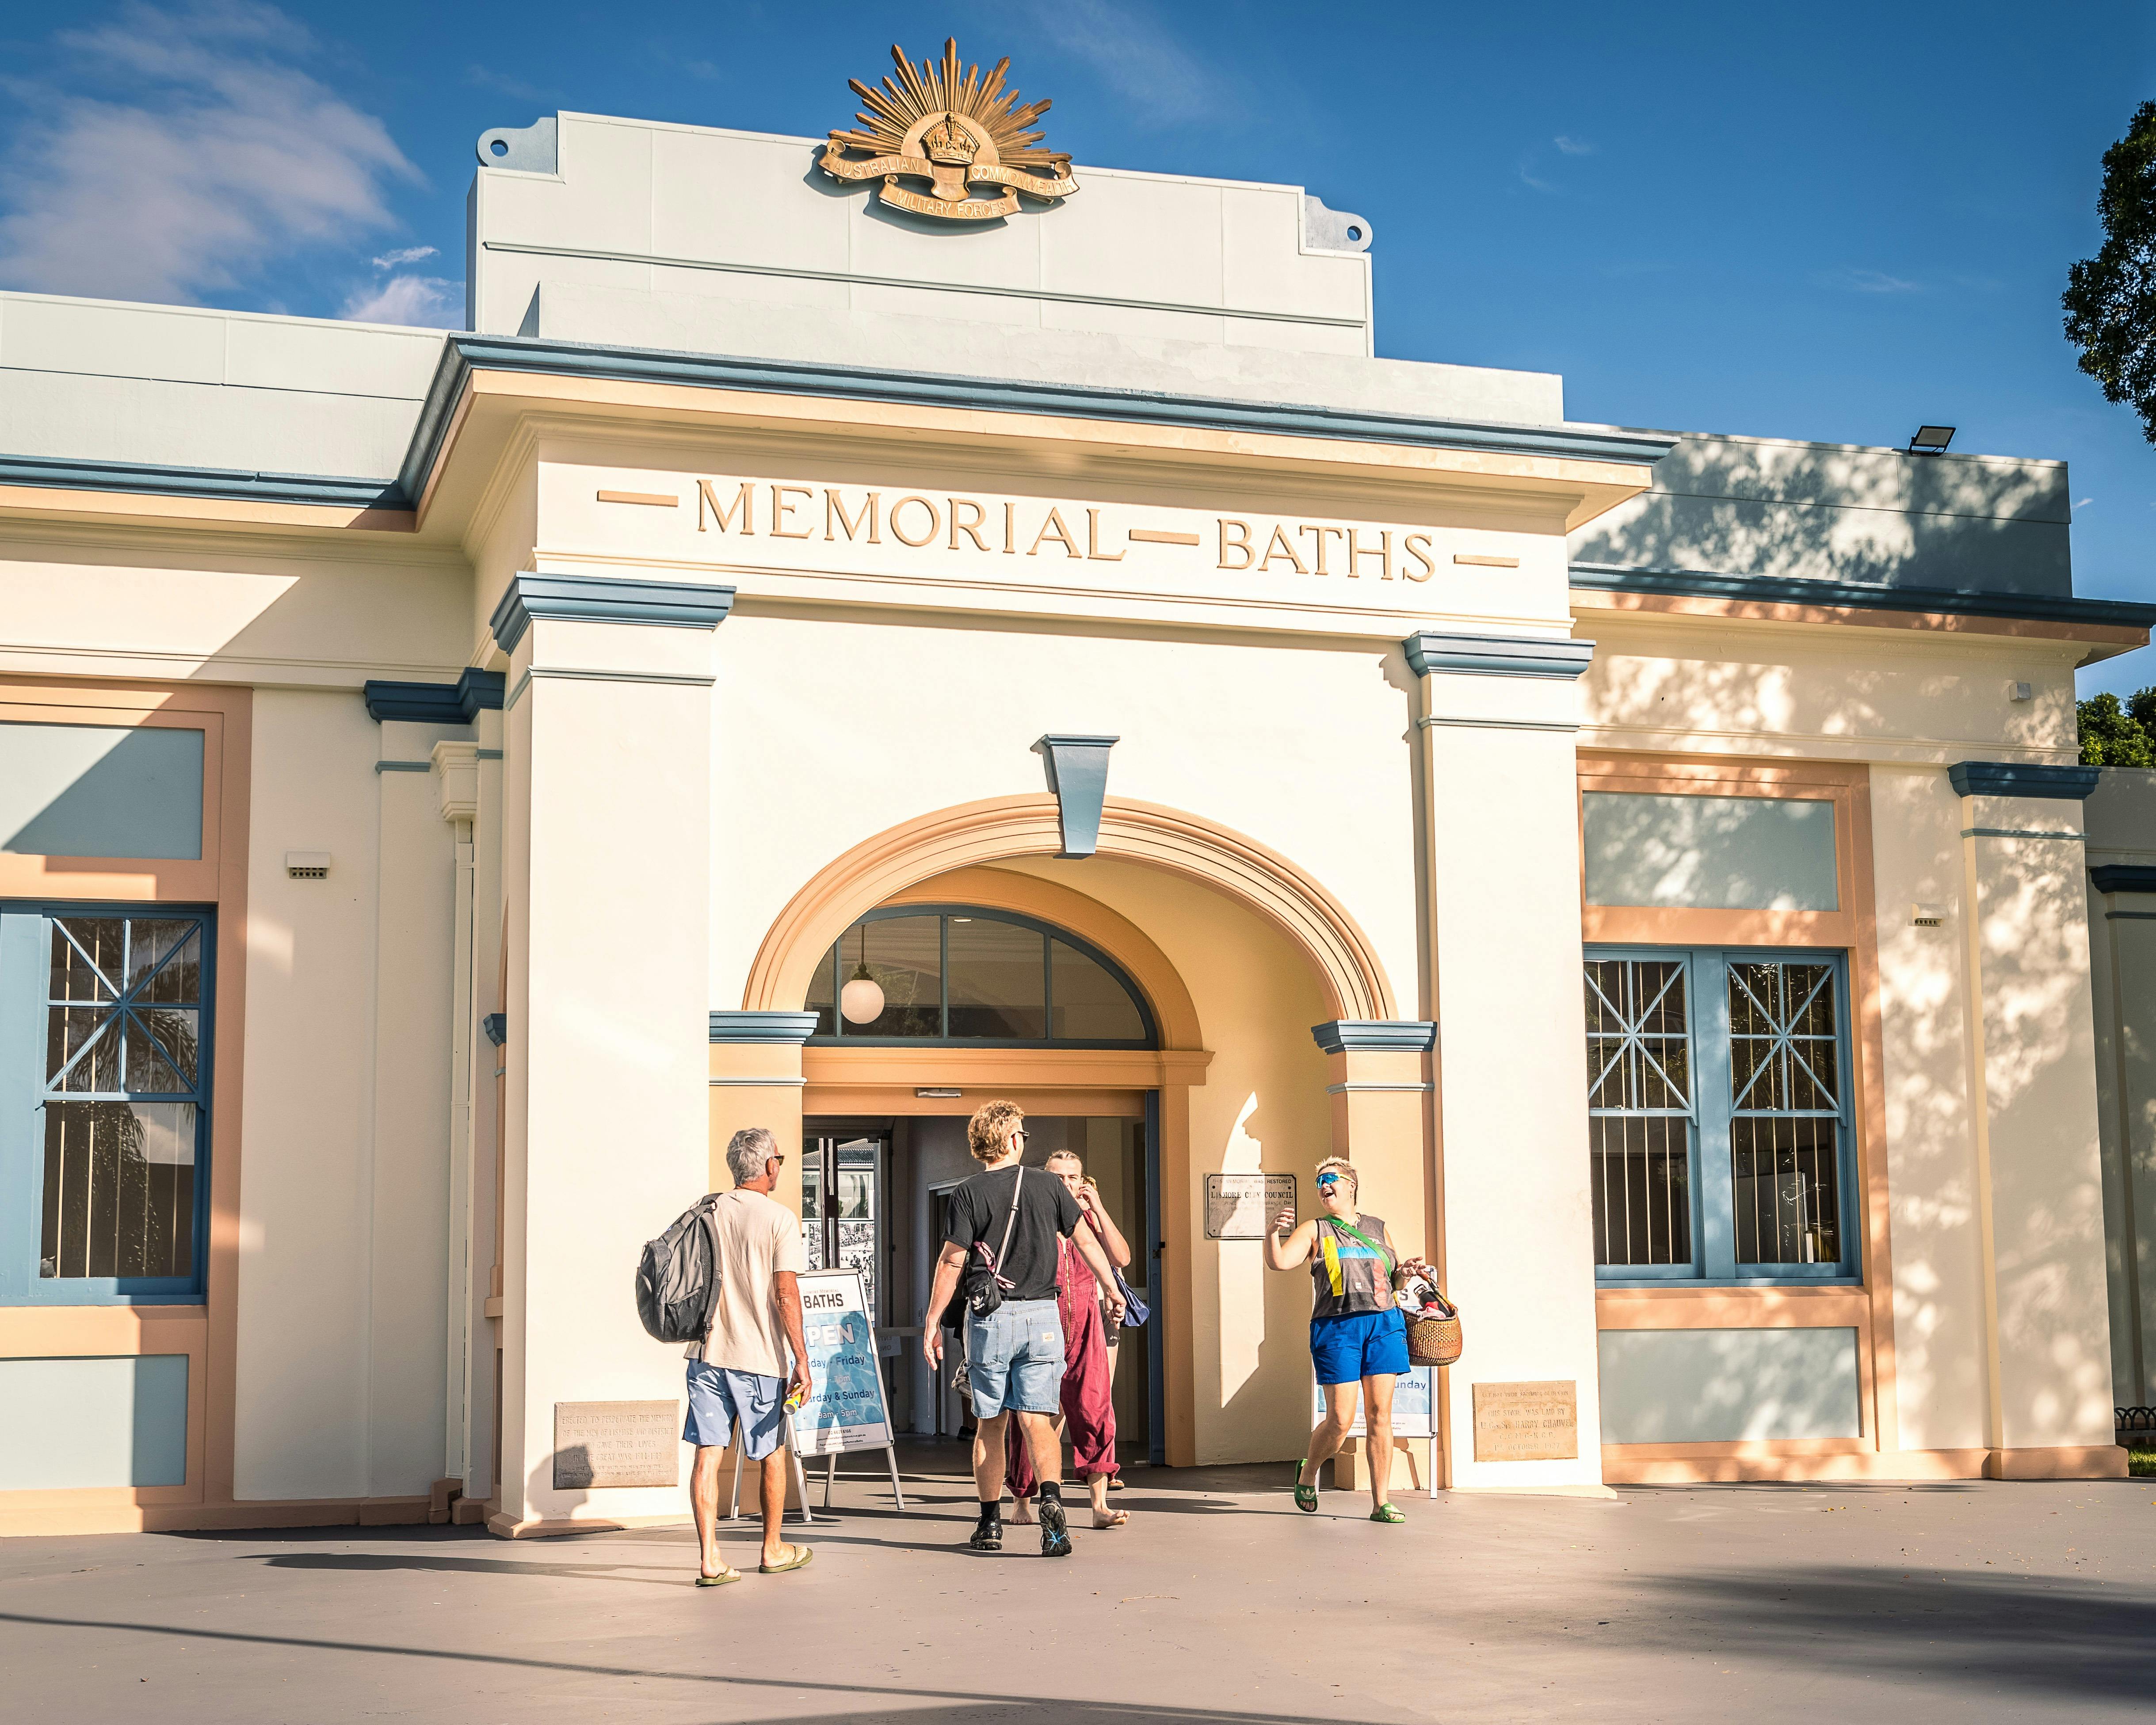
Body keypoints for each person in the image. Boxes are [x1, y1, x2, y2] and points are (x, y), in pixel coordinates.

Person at [923, 1101, 1126, 1557]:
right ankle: (1052, 1507)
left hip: (991, 1320)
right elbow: (1086, 1240)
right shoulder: (1049, 1187)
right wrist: (1112, 1289)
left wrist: (933, 1320)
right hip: (1043, 1317)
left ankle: (990, 1522)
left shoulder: (968, 1192)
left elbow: (953, 1259)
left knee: (990, 1426)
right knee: (1039, 1419)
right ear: (1014, 1139)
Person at [685, 1127, 816, 1585]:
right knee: (772, 1453)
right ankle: (773, 1548)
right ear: (768, 1166)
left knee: (707, 1453)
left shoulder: (705, 1212)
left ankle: (710, 1558)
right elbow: (786, 1292)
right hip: (758, 1355)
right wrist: (801, 1357)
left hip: (705, 1352)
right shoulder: (779, 1218)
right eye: (778, 1156)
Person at [1264, 1155, 1424, 1524]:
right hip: (1336, 1328)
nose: (1324, 1186)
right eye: (1319, 1181)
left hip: (1384, 1324)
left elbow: (1393, 1278)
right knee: (1339, 1419)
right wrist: (1272, 1232)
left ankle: (1381, 1502)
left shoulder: (1377, 1227)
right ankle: (1309, 1471)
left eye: (1331, 1179)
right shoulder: (1315, 1229)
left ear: (1351, 1184)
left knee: (1380, 1415)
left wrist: (1406, 1273)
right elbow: (1280, 1263)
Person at [1005, 1149, 1133, 1530]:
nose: (1065, 1184)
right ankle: (1022, 1500)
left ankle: (1099, 1507)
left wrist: (1098, 1208)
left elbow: (1121, 1257)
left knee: (1095, 1409)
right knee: (1030, 1416)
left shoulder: (1087, 1219)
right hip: (1039, 1325)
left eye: (1073, 1177)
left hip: (1087, 1326)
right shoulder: (1030, 1216)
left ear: (1082, 1181)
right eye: (1057, 1177)